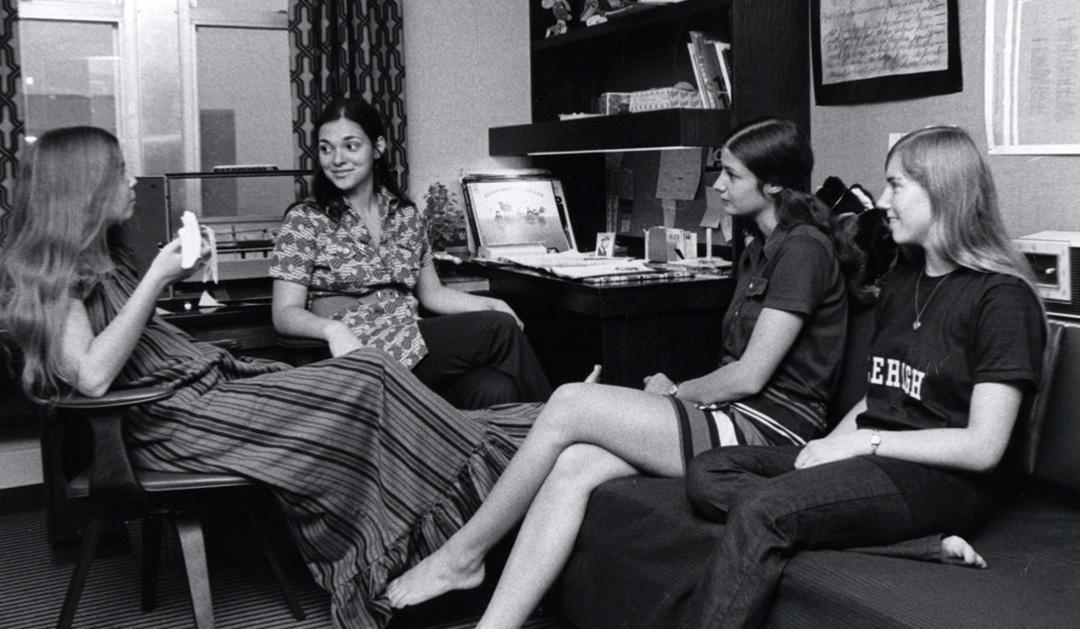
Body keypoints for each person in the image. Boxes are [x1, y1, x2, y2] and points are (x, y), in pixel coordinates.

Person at [0, 126, 544, 629]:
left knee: (371, 373)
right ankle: (520, 456)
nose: (132, 179)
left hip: (200, 401)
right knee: (368, 372)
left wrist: (172, 282)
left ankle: (490, 495)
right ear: (86, 188)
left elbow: (145, 343)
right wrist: (159, 280)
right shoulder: (54, 277)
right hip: (171, 426)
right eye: (119, 171)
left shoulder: (106, 262)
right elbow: (92, 377)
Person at [386, 118, 864, 626]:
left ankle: (463, 556)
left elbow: (749, 375)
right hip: (733, 413)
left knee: (570, 401)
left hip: (770, 431)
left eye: (731, 175)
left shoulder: (803, 248)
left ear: (772, 184)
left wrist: (677, 392)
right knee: (575, 463)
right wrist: (680, 396)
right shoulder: (757, 250)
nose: (718, 185)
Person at [679, 125, 1047, 628]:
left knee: (761, 511)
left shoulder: (1002, 298)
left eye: (896, 185)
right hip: (877, 460)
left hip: (941, 482)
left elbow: (983, 447)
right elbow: (880, 393)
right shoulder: (902, 281)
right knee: (709, 471)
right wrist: (826, 450)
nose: (884, 201)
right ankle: (916, 548)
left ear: (941, 189)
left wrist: (860, 446)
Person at [270, 96, 551, 409]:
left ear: (378, 147)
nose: (336, 159)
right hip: (354, 354)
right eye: (326, 148)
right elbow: (284, 313)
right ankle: (566, 423)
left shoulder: (405, 214)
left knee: (494, 388)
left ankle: (521, 451)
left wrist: (492, 303)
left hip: (409, 341)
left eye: (350, 146)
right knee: (499, 329)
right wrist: (333, 330)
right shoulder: (305, 218)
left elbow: (432, 294)